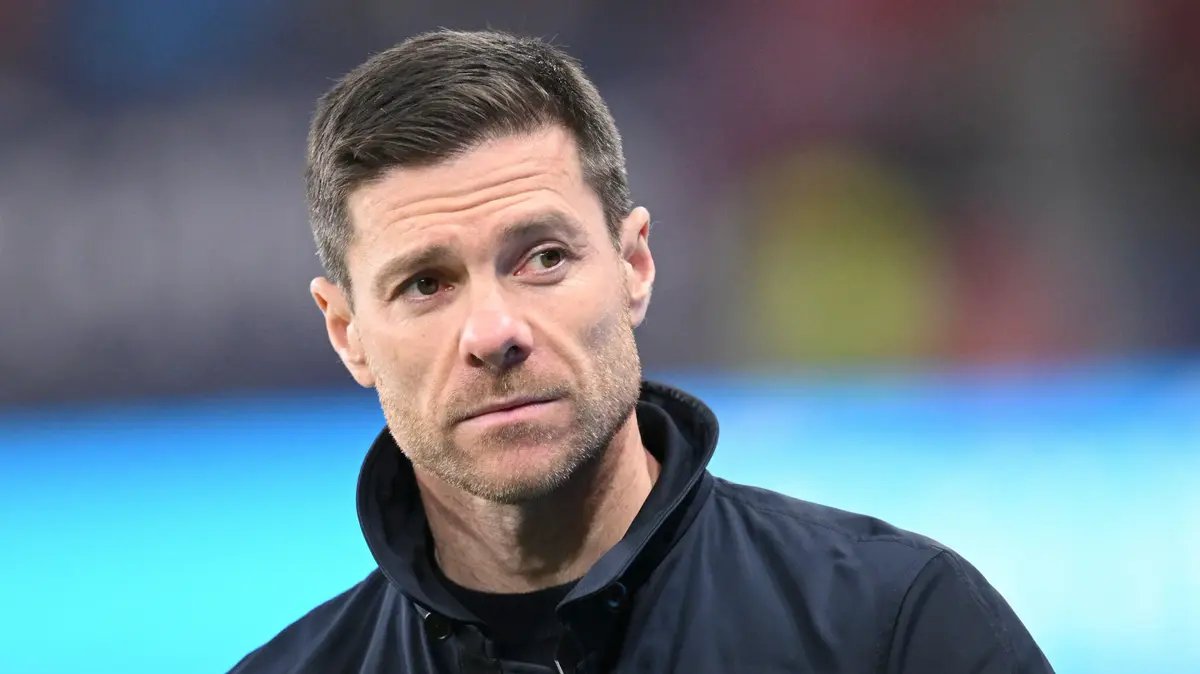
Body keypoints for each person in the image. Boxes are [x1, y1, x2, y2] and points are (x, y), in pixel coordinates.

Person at [229, 29, 1053, 674]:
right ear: (347, 332)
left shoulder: (899, 627)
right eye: (425, 284)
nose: (493, 332)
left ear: (634, 266)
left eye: (542, 258)